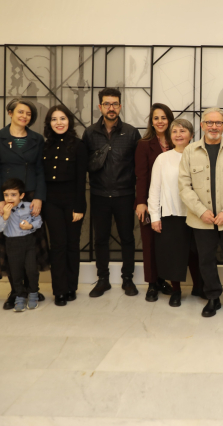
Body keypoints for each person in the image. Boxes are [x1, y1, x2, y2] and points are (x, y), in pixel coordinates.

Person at [178, 107, 223, 320]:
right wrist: (201, 211)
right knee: (206, 259)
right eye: (209, 123)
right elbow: (184, 186)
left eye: (218, 123)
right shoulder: (190, 151)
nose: (213, 126)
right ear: (202, 125)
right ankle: (212, 298)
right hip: (201, 219)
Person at [0, 98, 47, 310]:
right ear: (10, 113)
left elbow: (40, 169)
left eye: (28, 114)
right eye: (20, 112)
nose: (24, 116)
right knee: (10, 247)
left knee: (31, 244)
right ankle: (15, 291)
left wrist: (39, 196)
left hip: (29, 196)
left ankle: (32, 288)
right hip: (7, 197)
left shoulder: (37, 139)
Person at [83, 88, 142, 298]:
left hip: (124, 194)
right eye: (107, 104)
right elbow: (84, 164)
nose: (111, 108)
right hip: (99, 194)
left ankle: (128, 278)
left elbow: (139, 166)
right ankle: (103, 279)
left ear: (120, 106)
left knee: (127, 237)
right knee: (100, 239)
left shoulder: (131, 132)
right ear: (100, 107)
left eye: (115, 104)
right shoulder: (90, 133)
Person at [148, 119, 204, 307]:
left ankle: (199, 287)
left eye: (183, 131)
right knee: (174, 255)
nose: (178, 135)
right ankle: (176, 290)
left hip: (197, 214)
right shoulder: (163, 159)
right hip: (171, 214)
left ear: (192, 135)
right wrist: (154, 217)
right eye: (175, 131)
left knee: (197, 253)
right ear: (170, 136)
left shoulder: (200, 156)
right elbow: (154, 189)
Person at [41, 105, 87, 307]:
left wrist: (80, 207)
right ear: (49, 123)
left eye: (62, 118)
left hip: (72, 201)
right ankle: (59, 290)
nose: (59, 123)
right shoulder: (44, 146)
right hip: (51, 202)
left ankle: (71, 287)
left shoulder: (79, 145)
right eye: (54, 119)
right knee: (58, 245)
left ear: (69, 121)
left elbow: (81, 179)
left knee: (72, 245)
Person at [135, 103, 174, 302]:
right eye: (156, 118)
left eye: (163, 118)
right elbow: (141, 176)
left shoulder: (177, 141)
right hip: (151, 201)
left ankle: (162, 279)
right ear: (151, 121)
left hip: (172, 202)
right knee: (150, 243)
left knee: (166, 243)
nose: (160, 121)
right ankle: (152, 283)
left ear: (170, 120)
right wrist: (141, 202)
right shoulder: (144, 144)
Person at [0, 178, 43, 312]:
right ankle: (20, 295)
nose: (9, 198)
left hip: (28, 242)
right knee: (16, 272)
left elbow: (38, 220)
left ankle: (33, 293)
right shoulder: (1, 210)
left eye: (13, 195)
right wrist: (5, 216)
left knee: (31, 270)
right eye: (6, 195)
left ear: (21, 195)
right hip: (12, 244)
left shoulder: (29, 206)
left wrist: (30, 226)